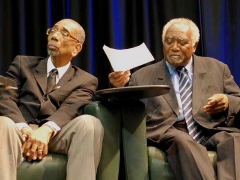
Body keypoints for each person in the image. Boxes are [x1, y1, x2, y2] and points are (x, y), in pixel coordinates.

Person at [109, 18, 240, 180]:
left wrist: (227, 101)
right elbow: (124, 110)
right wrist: (118, 88)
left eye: (182, 42)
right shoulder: (142, 76)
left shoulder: (217, 68)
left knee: (233, 138)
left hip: (208, 128)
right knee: (182, 140)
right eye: (168, 42)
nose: (174, 48)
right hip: (168, 130)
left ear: (194, 46)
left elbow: (237, 99)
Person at [0, 19, 103, 180]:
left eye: (64, 33)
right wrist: (25, 129)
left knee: (89, 123)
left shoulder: (86, 80)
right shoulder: (22, 64)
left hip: (57, 135)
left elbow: (70, 108)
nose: (54, 36)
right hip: (19, 131)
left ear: (76, 48)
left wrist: (45, 131)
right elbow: (6, 98)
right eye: (53, 31)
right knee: (3, 123)